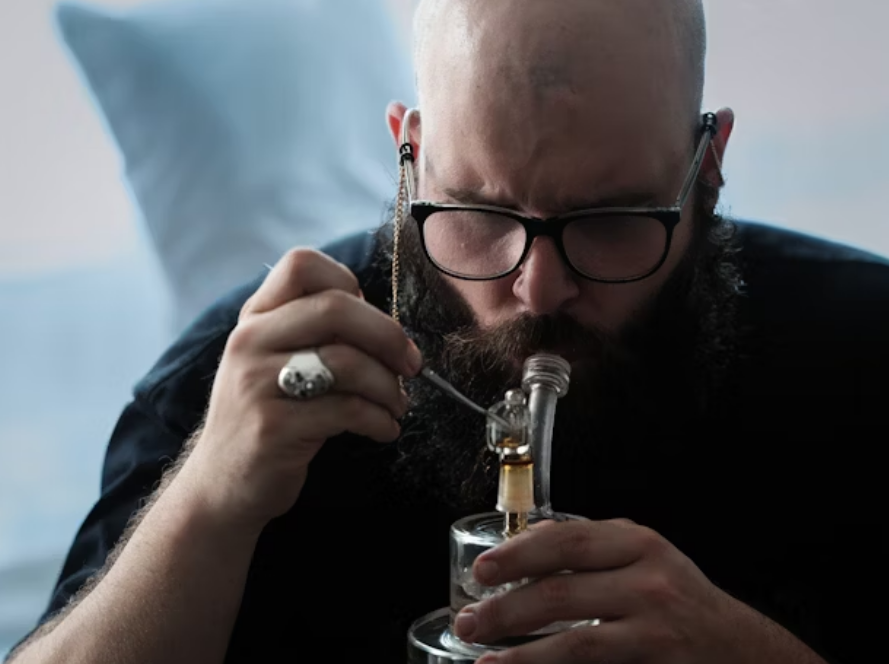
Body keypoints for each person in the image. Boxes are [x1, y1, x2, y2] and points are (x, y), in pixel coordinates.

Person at [8, 0, 888, 662]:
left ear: (708, 164)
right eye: (478, 213)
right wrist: (209, 497)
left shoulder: (861, 351)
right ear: (410, 151)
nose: (537, 289)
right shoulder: (250, 379)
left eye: (611, 218)